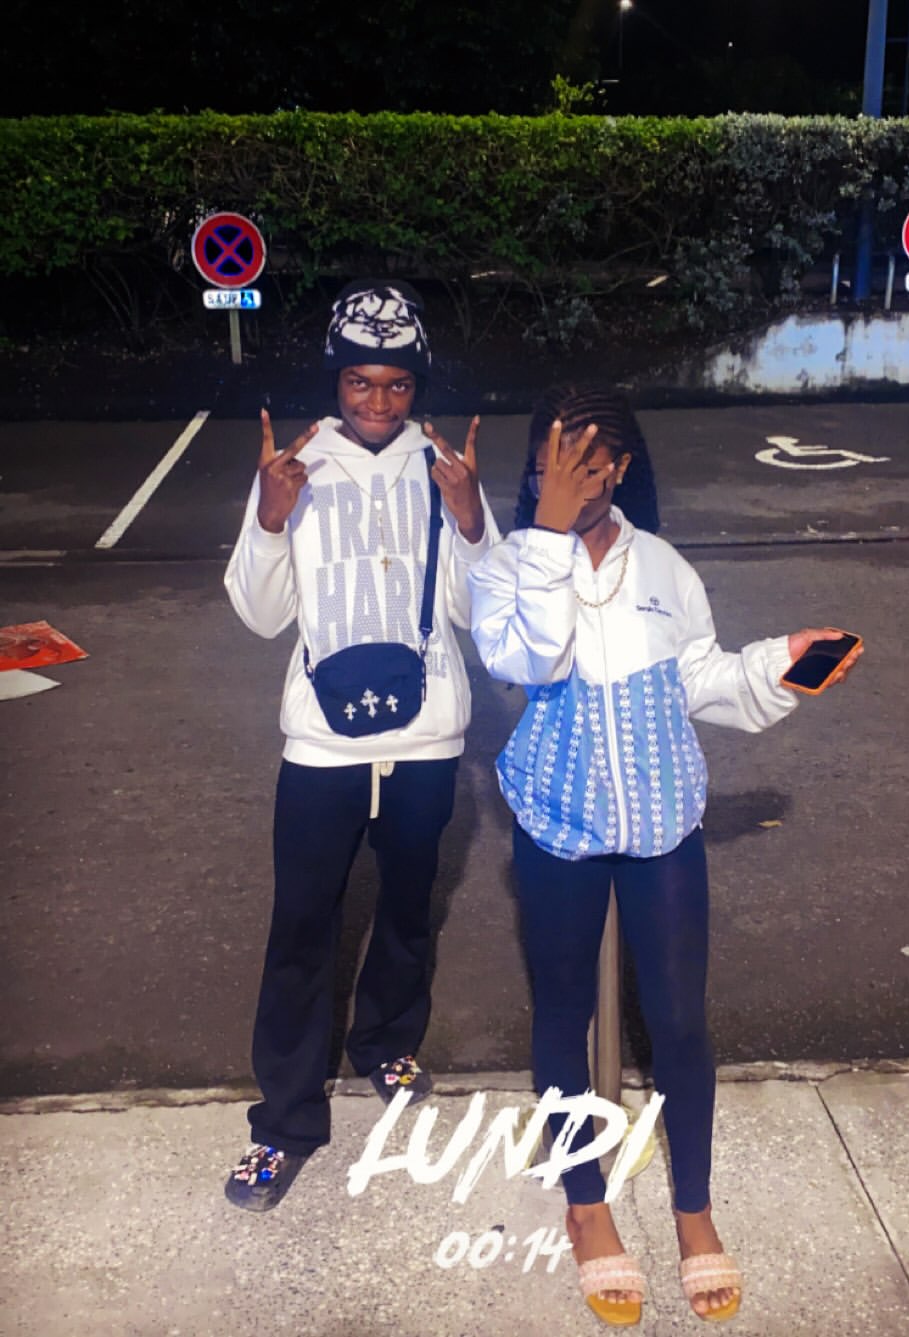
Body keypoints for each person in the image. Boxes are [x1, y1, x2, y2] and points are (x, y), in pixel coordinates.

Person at [467, 384, 862, 1327]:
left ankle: (694, 1212)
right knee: (562, 1013)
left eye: (588, 461)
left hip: (663, 825)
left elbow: (702, 677)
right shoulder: (507, 565)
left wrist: (780, 662)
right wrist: (549, 536)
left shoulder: (666, 567)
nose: (570, 478)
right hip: (558, 823)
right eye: (550, 462)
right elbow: (530, 662)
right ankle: (586, 1206)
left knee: (680, 1021)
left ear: (621, 467)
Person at [222, 279, 499, 1212]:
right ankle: (284, 1121)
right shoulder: (296, 468)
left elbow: (481, 613)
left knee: (411, 905)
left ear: (417, 386)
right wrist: (270, 518)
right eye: (359, 382)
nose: (377, 402)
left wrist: (472, 521)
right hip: (321, 744)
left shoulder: (443, 467)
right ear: (335, 382)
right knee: (302, 928)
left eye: (396, 384)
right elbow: (260, 613)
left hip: (427, 735)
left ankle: (384, 1041)